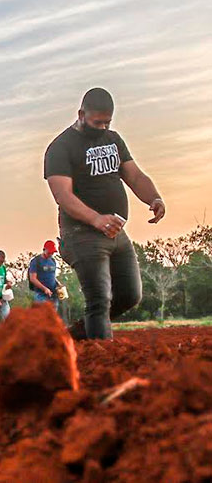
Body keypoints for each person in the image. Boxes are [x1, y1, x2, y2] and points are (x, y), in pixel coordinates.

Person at [45, 88, 165, 340]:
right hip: (81, 233)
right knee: (99, 300)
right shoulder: (60, 147)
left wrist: (154, 197)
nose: (102, 127)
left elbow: (134, 175)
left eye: (107, 122)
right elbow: (63, 195)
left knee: (130, 295)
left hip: (115, 231)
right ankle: (103, 357)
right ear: (81, 114)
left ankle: (77, 335)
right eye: (96, 122)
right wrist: (96, 219)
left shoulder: (113, 139)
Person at [29, 240, 62, 309]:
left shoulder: (53, 261)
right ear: (44, 250)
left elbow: (52, 276)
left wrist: (58, 283)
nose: (51, 254)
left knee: (53, 314)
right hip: (41, 295)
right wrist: (44, 289)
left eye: (52, 252)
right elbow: (33, 278)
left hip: (53, 294)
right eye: (49, 252)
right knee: (42, 314)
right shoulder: (36, 261)